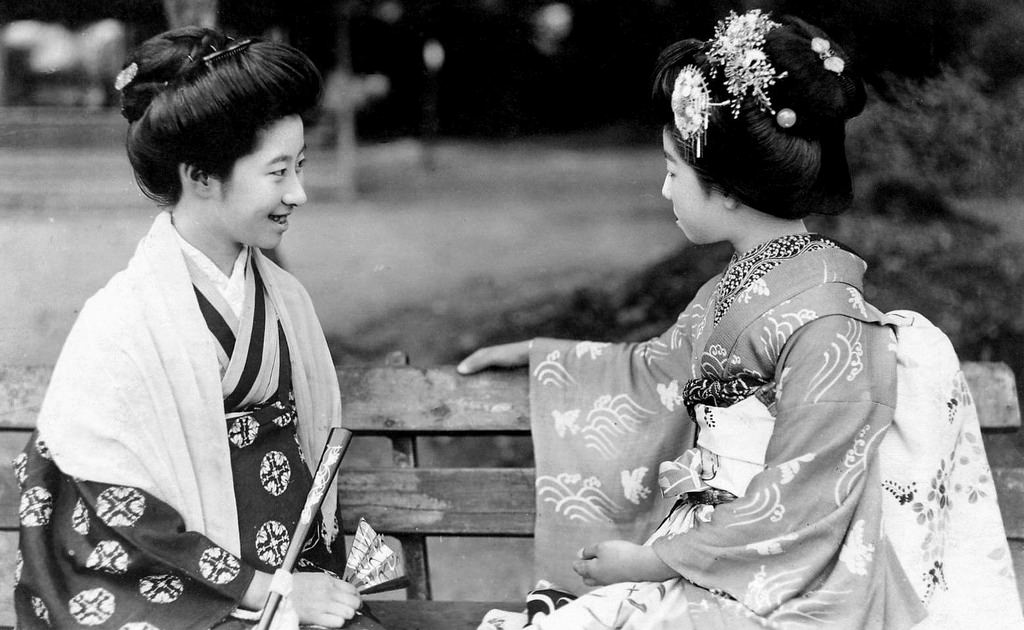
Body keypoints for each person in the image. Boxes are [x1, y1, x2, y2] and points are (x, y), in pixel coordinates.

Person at [459, 10, 1021, 630]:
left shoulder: (830, 325)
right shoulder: (731, 288)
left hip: (798, 585)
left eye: (674, 171)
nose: (665, 191)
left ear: (726, 187)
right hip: (719, 558)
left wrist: (652, 561)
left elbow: (807, 498)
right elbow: (661, 373)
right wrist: (548, 359)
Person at [13, 27, 373, 629]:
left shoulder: (284, 299)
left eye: (300, 167)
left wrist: (294, 585)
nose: (299, 193)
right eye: (278, 172)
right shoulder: (120, 319)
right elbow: (111, 504)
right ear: (201, 175)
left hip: (288, 567)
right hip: (177, 579)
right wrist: (259, 591)